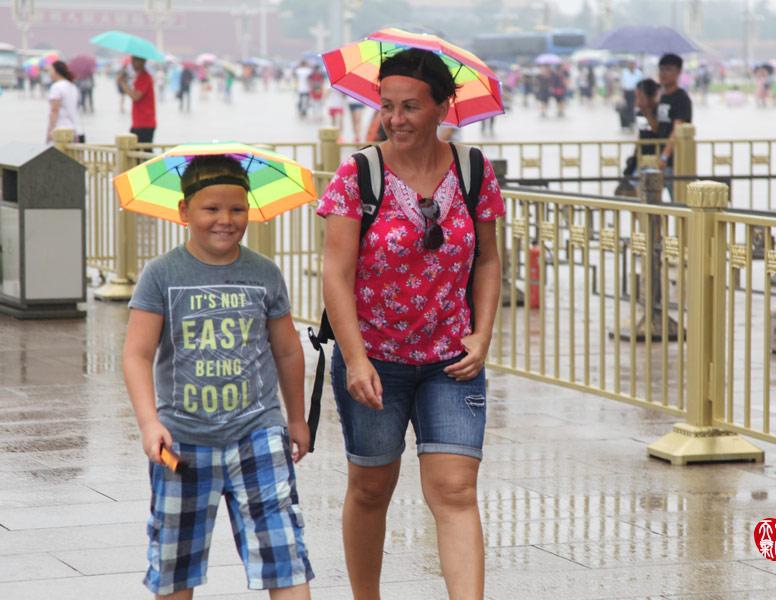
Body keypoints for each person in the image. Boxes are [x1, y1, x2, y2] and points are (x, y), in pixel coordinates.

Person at [318, 48, 503, 600]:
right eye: (387, 105)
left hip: (453, 360)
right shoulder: (359, 173)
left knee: (455, 490)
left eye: (411, 106)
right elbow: (336, 272)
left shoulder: (473, 169)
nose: (395, 119)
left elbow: (490, 260)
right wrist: (354, 359)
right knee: (371, 488)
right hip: (374, 361)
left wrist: (483, 333)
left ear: (445, 106)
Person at [123, 154, 314, 599]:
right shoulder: (161, 274)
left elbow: (287, 351)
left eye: (237, 209)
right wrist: (150, 423)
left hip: (258, 433)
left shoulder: (264, 272)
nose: (225, 221)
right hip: (183, 439)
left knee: (284, 553)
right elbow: (136, 354)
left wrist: (298, 419)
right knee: (175, 561)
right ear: (184, 211)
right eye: (212, 209)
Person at [640, 53, 693, 197]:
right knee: (651, 201)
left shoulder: (681, 98)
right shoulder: (663, 97)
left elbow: (677, 129)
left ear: (678, 72)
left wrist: (664, 156)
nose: (663, 74)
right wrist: (647, 110)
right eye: (661, 69)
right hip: (658, 158)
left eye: (668, 69)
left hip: (674, 160)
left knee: (678, 200)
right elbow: (658, 127)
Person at [118, 55, 157, 143]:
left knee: (142, 153)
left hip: (145, 123)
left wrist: (123, 83)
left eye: (135, 61)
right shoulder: (139, 77)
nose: (132, 64)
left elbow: (136, 96)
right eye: (132, 61)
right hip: (138, 122)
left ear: (142, 62)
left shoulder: (145, 77)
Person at [46, 60, 82, 143]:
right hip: (73, 129)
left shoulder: (56, 87)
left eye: (51, 70)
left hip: (60, 131)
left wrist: (51, 130)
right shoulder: (72, 86)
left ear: (57, 71)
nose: (49, 73)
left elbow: (54, 110)